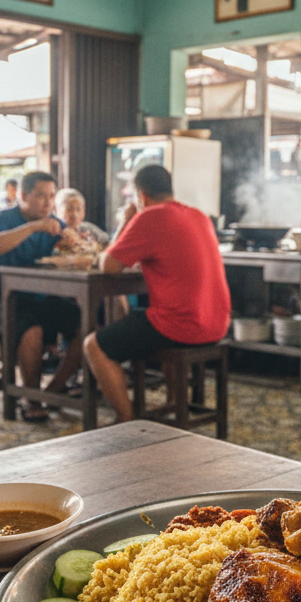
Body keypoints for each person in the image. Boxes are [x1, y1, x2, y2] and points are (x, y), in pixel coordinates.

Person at [83, 165, 231, 424]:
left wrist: (126, 221)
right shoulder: (198, 215)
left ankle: (125, 419)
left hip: (182, 324)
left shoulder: (150, 217)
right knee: (150, 318)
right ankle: (174, 400)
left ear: (141, 196)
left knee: (93, 346)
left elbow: (109, 265)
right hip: (217, 322)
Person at [0, 172, 82, 421]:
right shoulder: (4, 218)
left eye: (52, 196)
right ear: (23, 196)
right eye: (41, 196)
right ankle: (31, 399)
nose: (48, 203)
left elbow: (72, 249)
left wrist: (72, 242)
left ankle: (53, 390)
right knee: (31, 330)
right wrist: (33, 227)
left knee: (85, 325)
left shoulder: (54, 223)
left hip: (38, 297)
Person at [55, 187, 109, 256]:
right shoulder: (54, 232)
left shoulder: (88, 229)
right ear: (56, 211)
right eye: (70, 209)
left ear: (84, 212)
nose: (75, 214)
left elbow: (108, 243)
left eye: (78, 209)